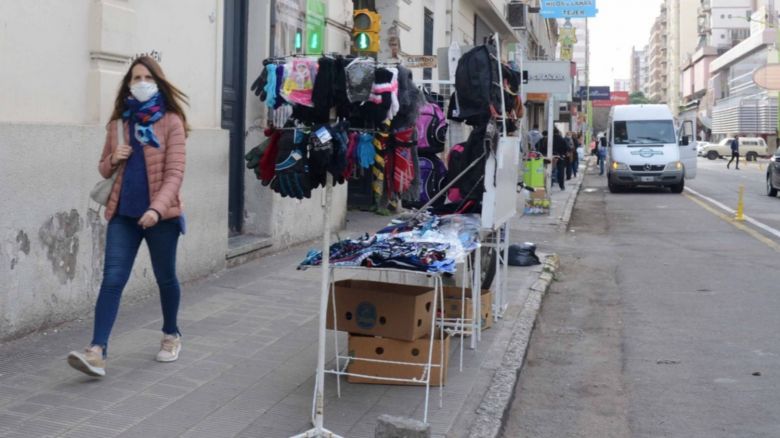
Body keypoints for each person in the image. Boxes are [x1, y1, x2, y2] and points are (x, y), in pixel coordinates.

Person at [67, 56, 190, 377]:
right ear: (128, 85)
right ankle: (96, 351)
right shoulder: (119, 124)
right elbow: (104, 168)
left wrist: (156, 209)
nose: (141, 83)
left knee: (166, 278)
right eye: (135, 78)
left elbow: (175, 174)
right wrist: (113, 157)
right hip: (122, 213)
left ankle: (171, 334)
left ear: (158, 81)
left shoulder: (171, 121)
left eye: (146, 77)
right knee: (112, 280)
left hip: (160, 217)